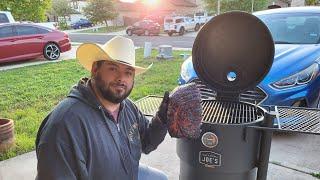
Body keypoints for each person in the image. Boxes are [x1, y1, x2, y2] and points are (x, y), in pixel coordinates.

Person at [35, 36, 169, 180]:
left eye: (128, 72)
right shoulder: (65, 125)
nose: (121, 78)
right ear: (95, 69)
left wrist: (161, 120)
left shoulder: (128, 107)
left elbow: (147, 142)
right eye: (113, 68)